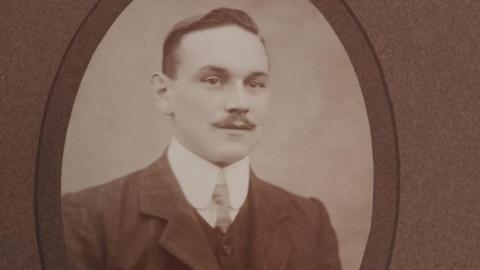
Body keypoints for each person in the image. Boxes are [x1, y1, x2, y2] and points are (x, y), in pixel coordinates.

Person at [62, 7, 342, 270]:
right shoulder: (90, 219)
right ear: (164, 93)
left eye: (255, 84)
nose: (240, 102)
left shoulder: (310, 221)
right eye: (213, 80)